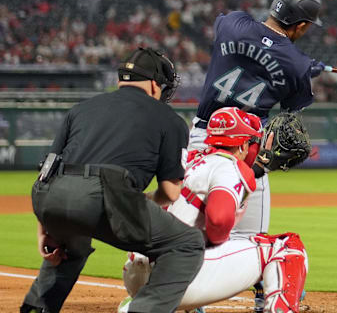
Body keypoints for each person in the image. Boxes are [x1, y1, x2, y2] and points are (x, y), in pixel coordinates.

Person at [20, 47, 205, 313]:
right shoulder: (170, 119)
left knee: (72, 244)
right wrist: (140, 199)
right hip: (107, 193)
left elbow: (48, 171)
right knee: (187, 244)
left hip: (49, 196)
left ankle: (36, 309)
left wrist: (46, 229)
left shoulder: (80, 109)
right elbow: (170, 192)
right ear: (155, 85)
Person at [119, 107, 308, 313]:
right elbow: (218, 220)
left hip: (137, 273)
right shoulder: (229, 167)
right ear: (243, 143)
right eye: (253, 142)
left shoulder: (193, 159)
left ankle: (141, 306)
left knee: (195, 234)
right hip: (178, 276)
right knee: (286, 246)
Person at [189, 0, 324, 236]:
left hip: (202, 140)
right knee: (251, 240)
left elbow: (253, 41)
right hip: (247, 152)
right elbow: (291, 113)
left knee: (188, 231)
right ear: (302, 25)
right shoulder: (298, 65)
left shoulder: (232, 23)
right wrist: (303, 67)